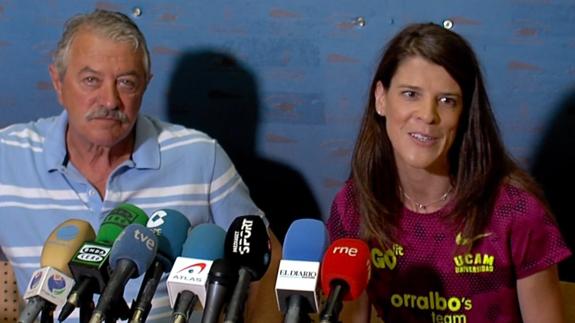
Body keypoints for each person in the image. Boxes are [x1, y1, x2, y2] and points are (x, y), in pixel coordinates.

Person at [0, 9, 281, 322]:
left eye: (126, 82)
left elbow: (267, 263)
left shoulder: (200, 156)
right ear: (57, 81)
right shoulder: (7, 156)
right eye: (91, 80)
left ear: (146, 85)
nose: (109, 101)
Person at [328, 22, 571, 322]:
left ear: (465, 112)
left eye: (447, 100)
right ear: (381, 98)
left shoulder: (517, 212)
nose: (428, 115)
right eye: (410, 94)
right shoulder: (353, 207)